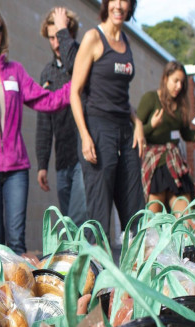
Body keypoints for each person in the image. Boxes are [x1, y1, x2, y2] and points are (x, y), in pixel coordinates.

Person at [0, 5, 71, 256]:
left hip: (17, 168)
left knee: (17, 242)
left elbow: (45, 100)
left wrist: (76, 86)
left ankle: (19, 295)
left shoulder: (14, 71)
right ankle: (0, 294)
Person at [70, 0, 146, 240]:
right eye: (115, 0)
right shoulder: (94, 37)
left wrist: (139, 123)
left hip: (126, 131)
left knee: (135, 209)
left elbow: (121, 97)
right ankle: (96, 272)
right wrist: (85, 136)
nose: (120, 6)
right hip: (99, 129)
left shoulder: (126, 42)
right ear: (107, 4)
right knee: (99, 214)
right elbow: (75, 92)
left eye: (125, 1)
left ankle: (135, 271)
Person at [36, 7, 87, 227]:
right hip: (62, 161)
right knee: (68, 225)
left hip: (84, 156)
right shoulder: (47, 73)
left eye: (59, 36)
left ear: (69, 33)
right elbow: (44, 122)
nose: (56, 43)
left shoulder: (82, 64)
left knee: (79, 222)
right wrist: (42, 164)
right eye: (51, 38)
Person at [137, 60, 195, 214]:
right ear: (165, 78)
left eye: (182, 83)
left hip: (174, 161)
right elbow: (136, 132)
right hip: (155, 161)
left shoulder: (181, 105)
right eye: (175, 81)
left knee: (185, 214)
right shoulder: (151, 98)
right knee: (153, 217)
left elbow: (186, 134)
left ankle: (184, 237)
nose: (179, 86)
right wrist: (152, 125)